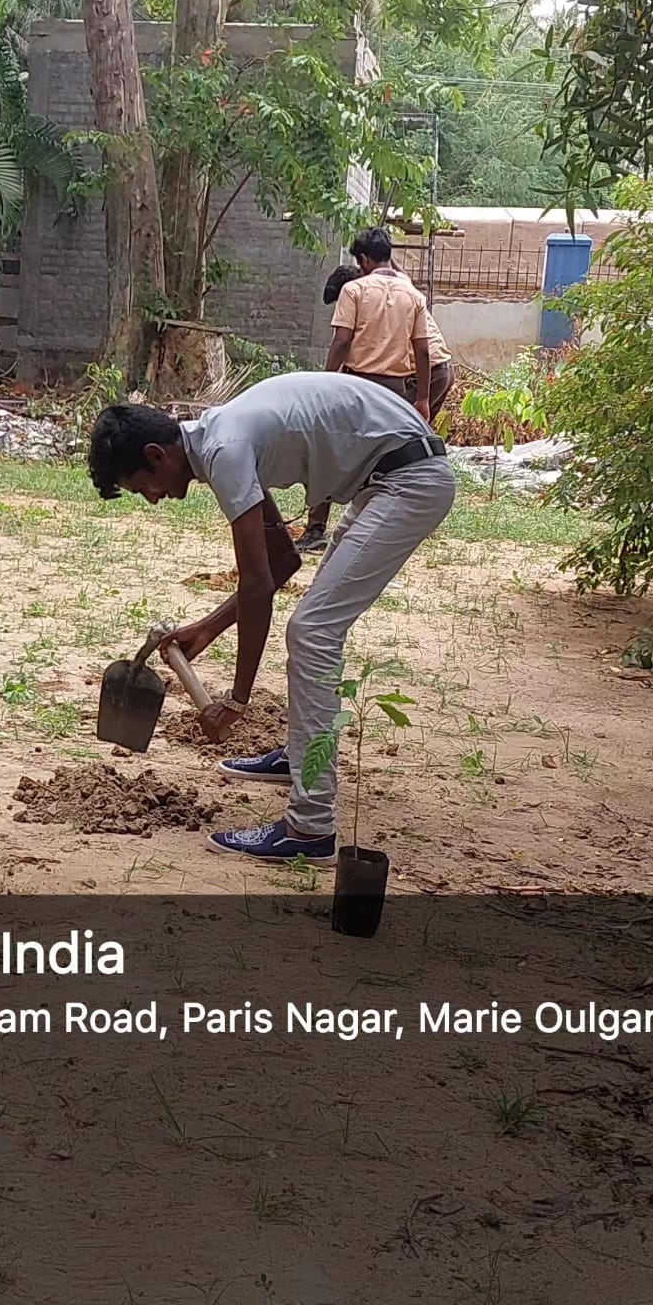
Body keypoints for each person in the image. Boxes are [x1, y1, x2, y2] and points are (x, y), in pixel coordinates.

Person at [87, 372, 455, 863]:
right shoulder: (225, 437)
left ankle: (309, 828)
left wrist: (236, 702)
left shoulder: (226, 448)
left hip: (408, 480)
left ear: (157, 455)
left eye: (142, 488)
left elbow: (259, 583)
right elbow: (283, 562)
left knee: (313, 631)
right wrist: (209, 627)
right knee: (313, 629)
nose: (152, 498)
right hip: (385, 477)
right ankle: (301, 757)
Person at [295, 228, 439, 554]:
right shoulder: (413, 295)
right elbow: (423, 351)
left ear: (363, 259)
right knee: (389, 460)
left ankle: (316, 529)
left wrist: (327, 382)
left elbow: (342, 341)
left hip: (355, 387)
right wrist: (422, 398)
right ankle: (380, 526)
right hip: (394, 391)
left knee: (329, 452)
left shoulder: (354, 290)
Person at [323, 263, 455, 423]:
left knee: (388, 426)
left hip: (426, 374)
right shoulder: (398, 287)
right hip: (442, 371)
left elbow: (345, 345)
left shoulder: (368, 301)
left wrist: (325, 384)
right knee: (410, 430)